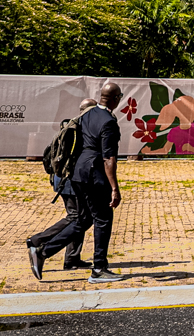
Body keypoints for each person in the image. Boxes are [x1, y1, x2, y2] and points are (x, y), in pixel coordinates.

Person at [27, 81, 124, 282]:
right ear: (115, 99)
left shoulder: (86, 114)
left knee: (84, 219)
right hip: (94, 175)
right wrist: (114, 187)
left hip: (77, 174)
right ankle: (99, 269)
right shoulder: (109, 122)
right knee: (103, 219)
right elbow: (109, 158)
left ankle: (43, 251)